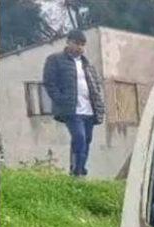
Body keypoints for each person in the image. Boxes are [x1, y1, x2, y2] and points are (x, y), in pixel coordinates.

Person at [42, 29, 106, 177]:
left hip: (89, 109)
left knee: (87, 140)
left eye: (82, 44)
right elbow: (49, 83)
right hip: (71, 109)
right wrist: (60, 99)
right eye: (77, 43)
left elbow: (96, 86)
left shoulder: (87, 64)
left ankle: (79, 170)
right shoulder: (55, 60)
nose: (80, 47)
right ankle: (77, 172)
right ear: (68, 42)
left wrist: (99, 104)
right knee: (79, 138)